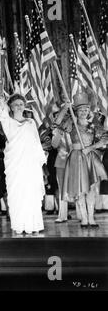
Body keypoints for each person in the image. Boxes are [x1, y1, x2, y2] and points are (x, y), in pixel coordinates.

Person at [0, 93, 46, 235]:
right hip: (15, 164)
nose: (19, 107)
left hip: (30, 164)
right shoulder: (8, 122)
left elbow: (36, 142)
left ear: (25, 106)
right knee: (16, 194)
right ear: (10, 107)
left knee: (31, 194)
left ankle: (33, 225)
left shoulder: (31, 122)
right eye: (15, 104)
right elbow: (2, 115)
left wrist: (40, 159)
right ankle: (19, 224)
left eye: (21, 104)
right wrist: (1, 102)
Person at [59, 91, 108, 228]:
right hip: (76, 158)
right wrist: (65, 109)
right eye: (81, 110)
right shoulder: (72, 124)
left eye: (86, 109)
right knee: (80, 189)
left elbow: (105, 138)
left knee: (91, 188)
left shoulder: (93, 125)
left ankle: (92, 218)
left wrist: (91, 147)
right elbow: (58, 125)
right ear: (76, 111)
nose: (84, 112)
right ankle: (84, 218)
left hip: (89, 158)